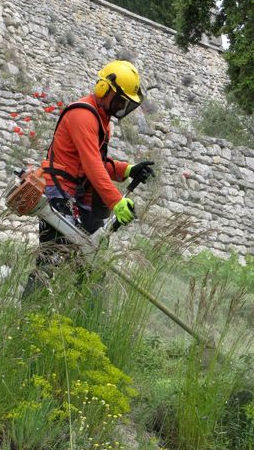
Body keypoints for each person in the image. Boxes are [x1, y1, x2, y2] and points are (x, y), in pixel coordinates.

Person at [23, 60, 155, 294]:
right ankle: (28, 316)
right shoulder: (83, 116)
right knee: (50, 260)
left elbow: (97, 161)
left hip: (76, 196)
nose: (122, 107)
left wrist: (128, 170)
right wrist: (117, 201)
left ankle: (81, 316)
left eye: (126, 104)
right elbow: (92, 165)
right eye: (121, 100)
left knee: (88, 263)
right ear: (104, 89)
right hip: (60, 196)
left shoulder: (99, 118)